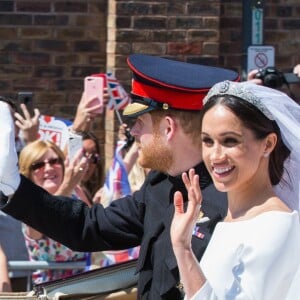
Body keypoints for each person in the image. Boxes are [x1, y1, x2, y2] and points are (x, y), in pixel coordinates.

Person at [0, 54, 239, 299]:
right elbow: (90, 226)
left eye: (141, 122)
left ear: (168, 128)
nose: (133, 130)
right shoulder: (159, 184)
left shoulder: (232, 200)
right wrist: (14, 188)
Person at [170, 80, 300, 299]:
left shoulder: (275, 224)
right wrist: (182, 246)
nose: (216, 156)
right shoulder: (233, 218)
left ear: (267, 144)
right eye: (207, 141)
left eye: (230, 141)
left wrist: (183, 250)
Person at [18, 140, 91, 284]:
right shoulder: (29, 205)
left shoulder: (76, 193)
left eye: (54, 161)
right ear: (28, 174)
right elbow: (44, 220)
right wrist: (67, 188)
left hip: (86, 285)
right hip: (52, 290)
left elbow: (95, 228)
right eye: (38, 165)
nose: (48, 168)